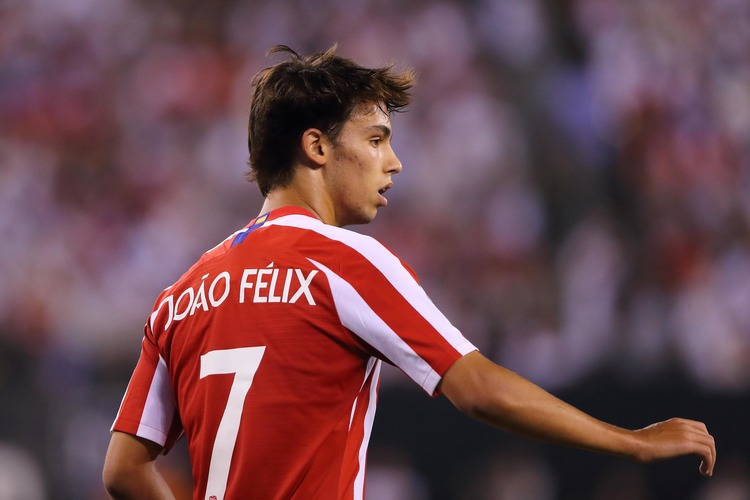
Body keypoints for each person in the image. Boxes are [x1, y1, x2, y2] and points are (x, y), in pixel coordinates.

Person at [102, 45, 716, 500]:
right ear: (316, 147)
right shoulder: (342, 261)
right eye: (376, 139)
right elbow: (477, 389)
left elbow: (124, 470)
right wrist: (631, 441)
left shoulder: (179, 296)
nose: (393, 162)